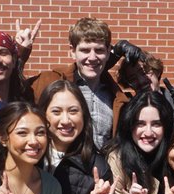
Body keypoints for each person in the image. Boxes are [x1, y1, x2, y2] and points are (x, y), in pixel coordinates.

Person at [29, 18, 133, 149]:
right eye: (85, 50)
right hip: (59, 167)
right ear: (72, 51)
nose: (92, 57)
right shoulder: (50, 82)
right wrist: (21, 53)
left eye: (99, 50)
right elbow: (12, 91)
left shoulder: (115, 96)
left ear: (108, 52)